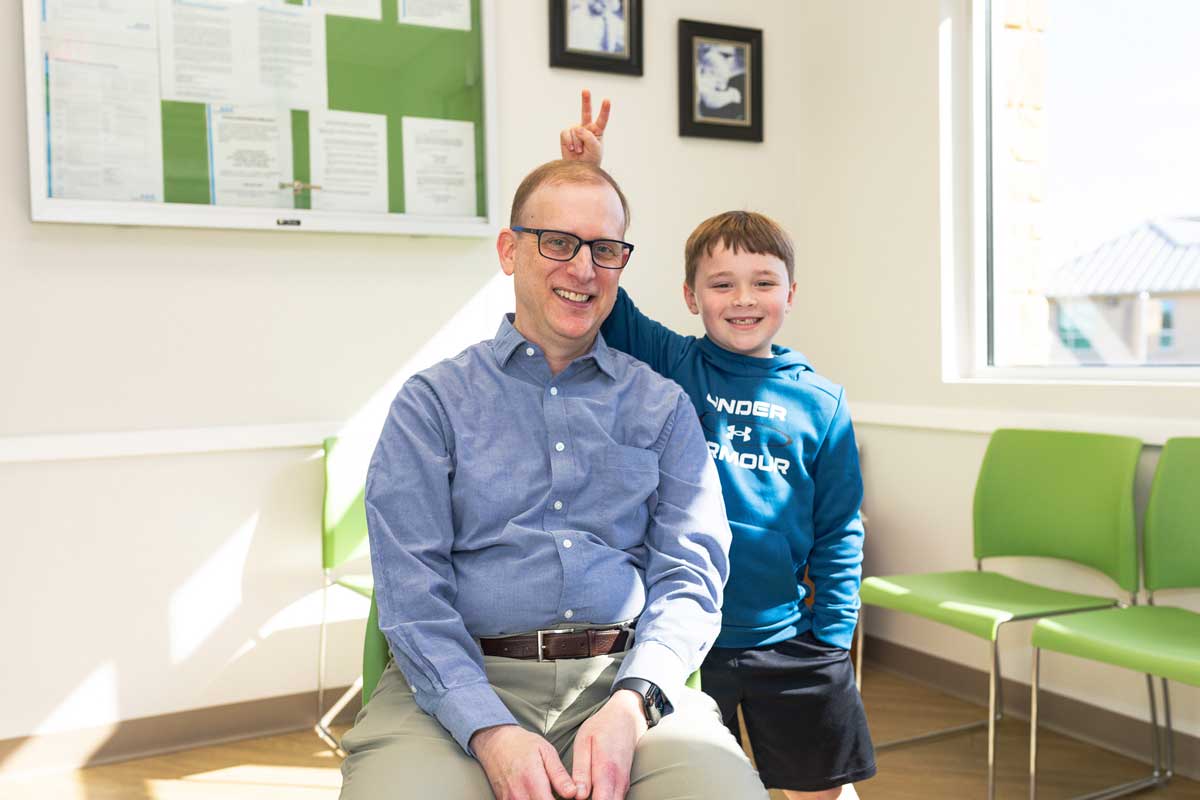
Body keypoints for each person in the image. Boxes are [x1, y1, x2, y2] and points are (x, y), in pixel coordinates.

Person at [339, 101, 769, 800]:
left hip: (626, 684)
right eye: (558, 243)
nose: (585, 268)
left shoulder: (662, 408)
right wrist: (486, 729)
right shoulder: (433, 404)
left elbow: (691, 578)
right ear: (510, 251)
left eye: (605, 249)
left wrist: (632, 707)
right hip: (461, 684)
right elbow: (413, 598)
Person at [562, 92, 876, 800]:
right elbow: (606, 293)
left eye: (763, 282)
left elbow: (841, 528)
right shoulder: (676, 362)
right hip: (680, 637)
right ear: (690, 295)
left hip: (790, 639)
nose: (743, 298)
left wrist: (830, 638)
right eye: (722, 284)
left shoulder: (821, 400)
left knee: (821, 790)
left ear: (791, 293)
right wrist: (584, 175)